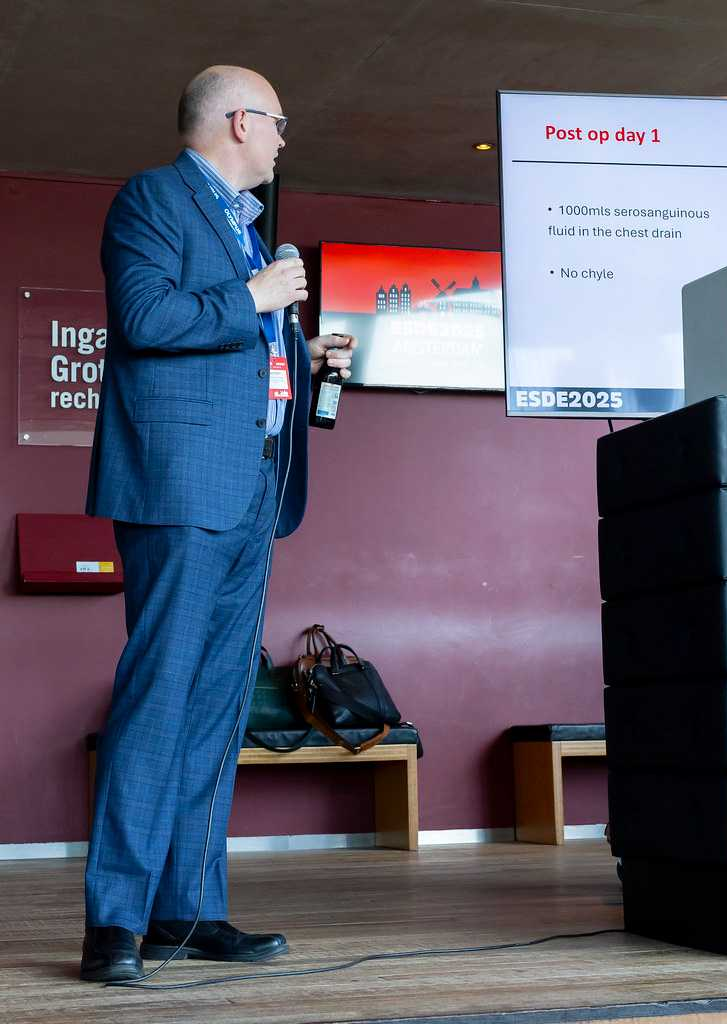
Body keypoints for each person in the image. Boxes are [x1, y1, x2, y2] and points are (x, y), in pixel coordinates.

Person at [80, 65, 356, 982]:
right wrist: (256, 300)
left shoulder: (245, 227)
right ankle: (114, 924)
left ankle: (186, 913)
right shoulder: (153, 198)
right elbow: (144, 317)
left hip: (251, 490)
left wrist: (299, 354)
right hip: (180, 486)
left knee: (215, 706)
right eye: (277, 122)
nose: (282, 139)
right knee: (159, 696)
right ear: (239, 120)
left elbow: (228, 347)